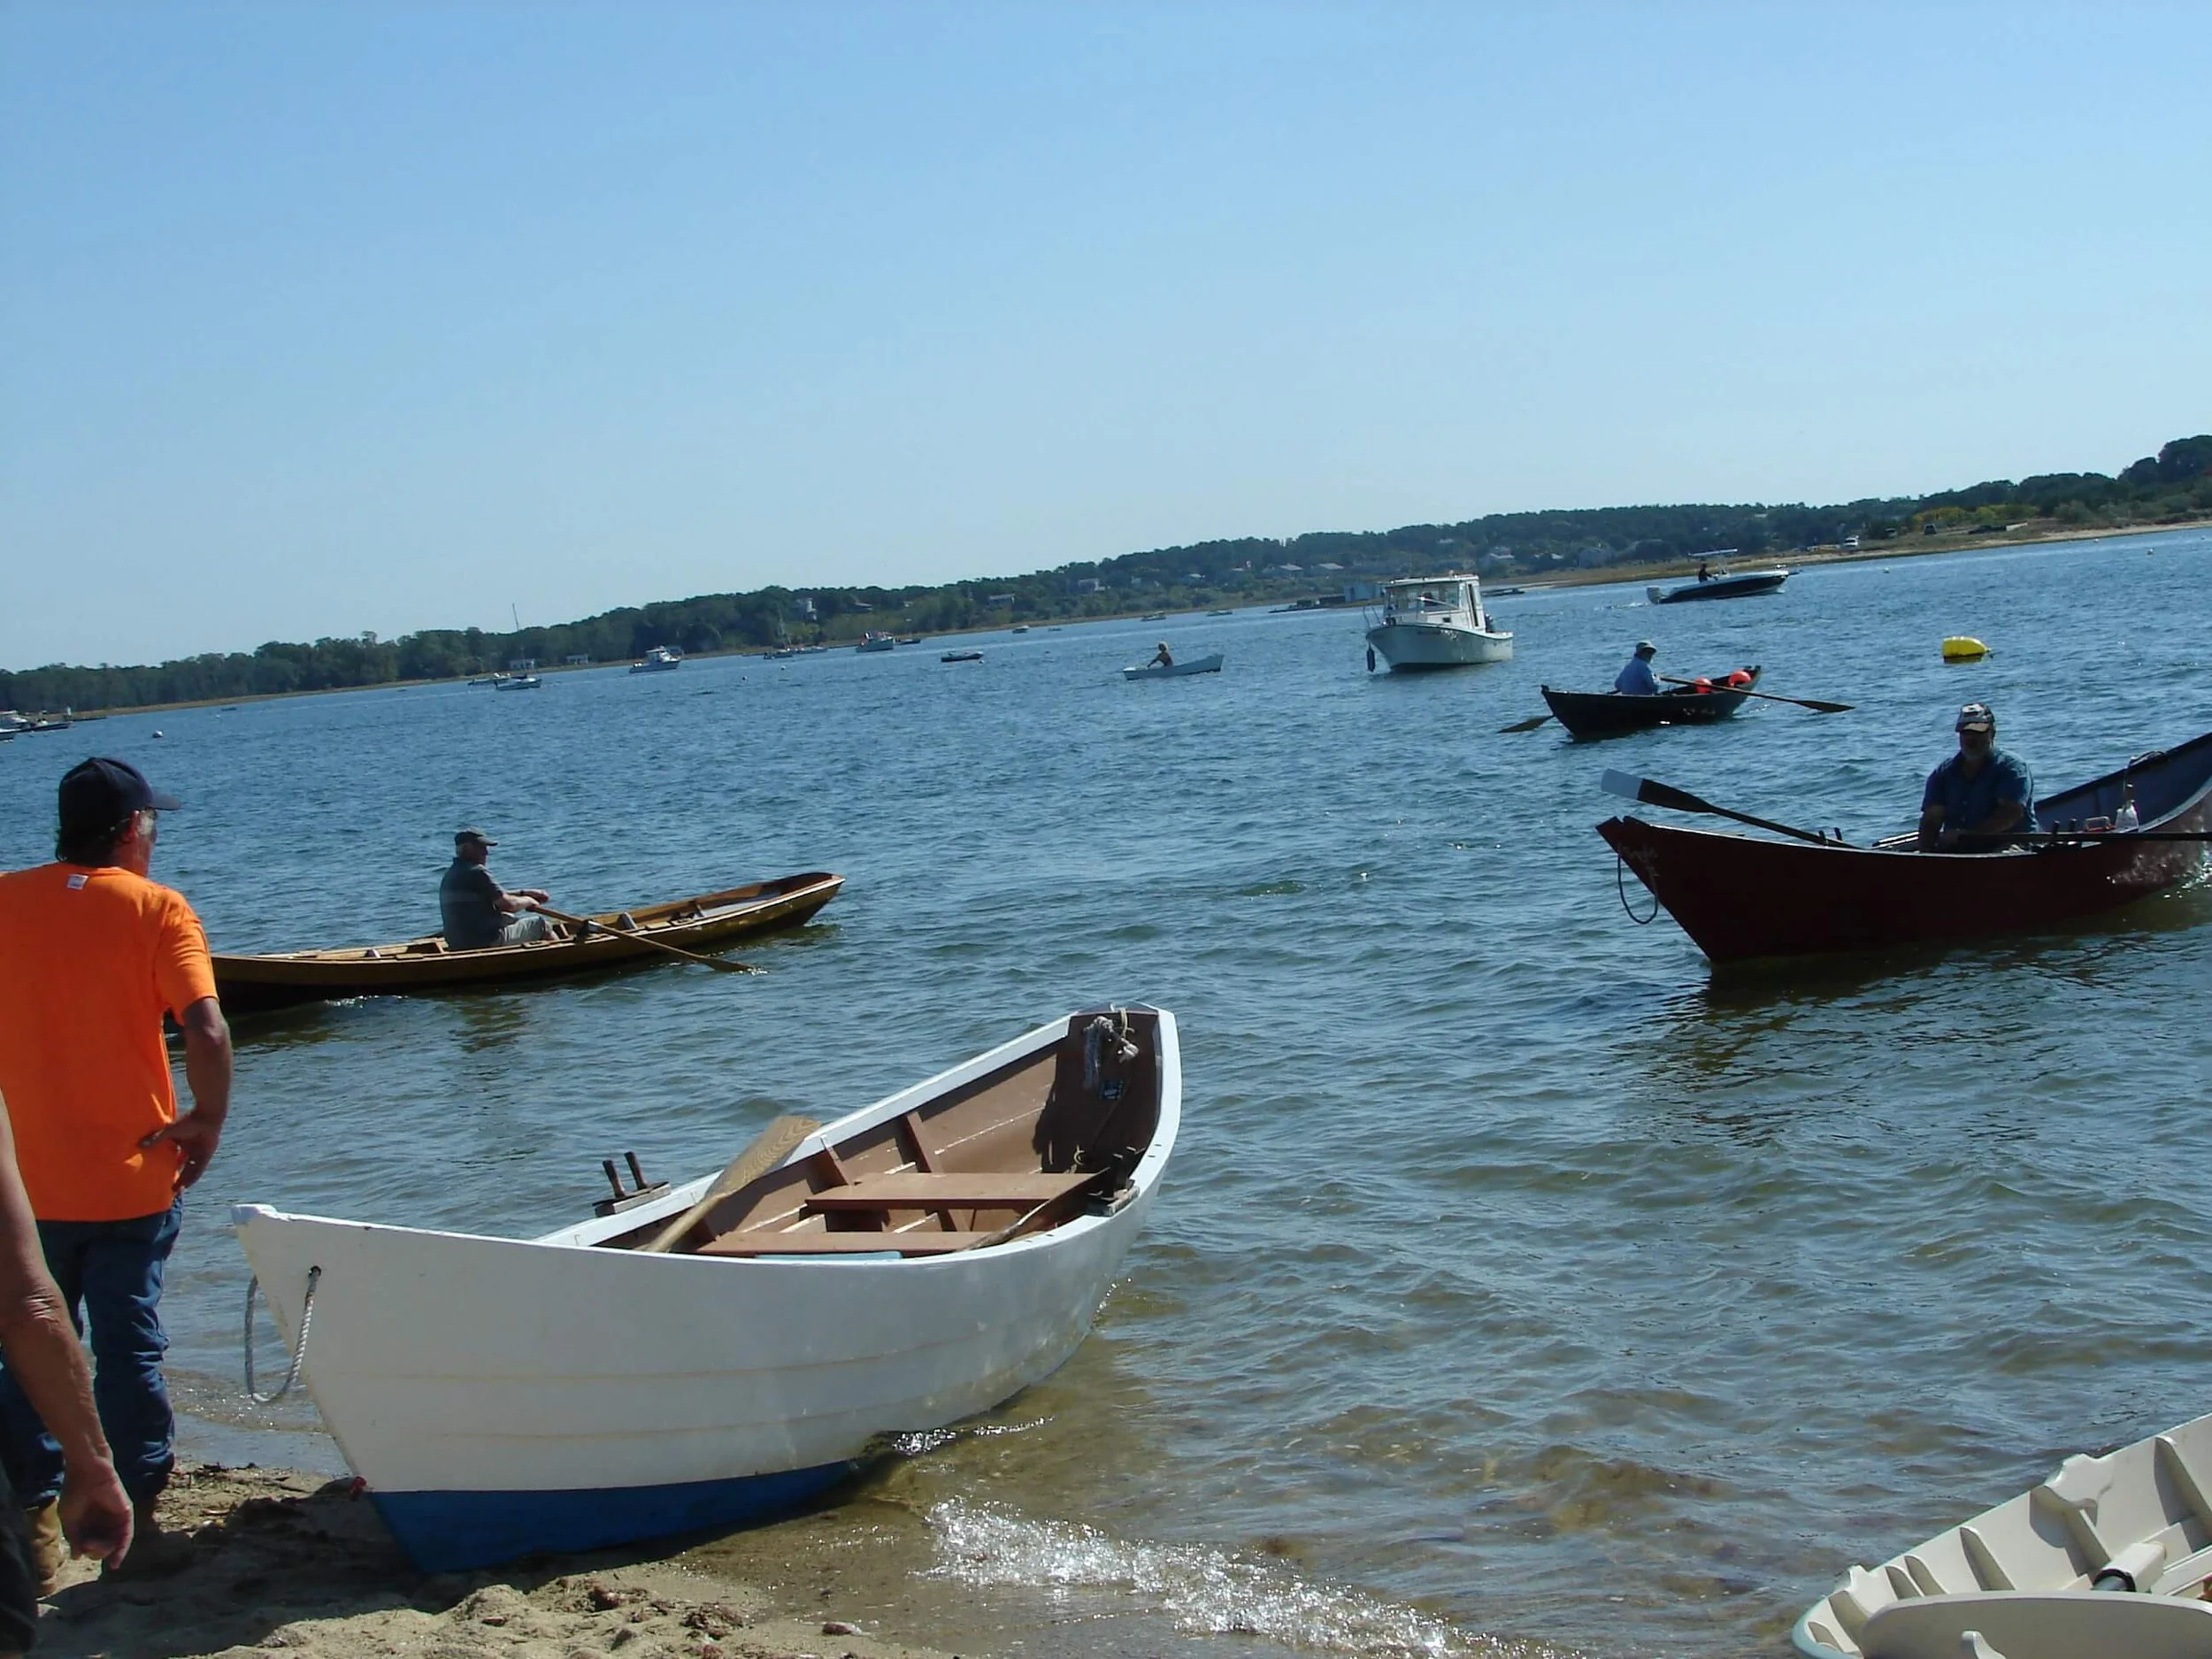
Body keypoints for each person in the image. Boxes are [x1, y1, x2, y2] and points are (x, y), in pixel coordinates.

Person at [0, 757, 228, 1593]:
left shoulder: (3, 900)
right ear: (134, 830)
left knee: (28, 1346)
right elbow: (205, 1028)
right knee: (127, 1342)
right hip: (133, 1173)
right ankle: (140, 1514)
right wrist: (206, 1120)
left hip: (24, 1185)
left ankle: (34, 1517)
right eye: (152, 827)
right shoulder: (158, 907)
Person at [1919, 703, 2037, 851]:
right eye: (1965, 733)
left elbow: (2010, 814)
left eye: (1978, 733)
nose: (1971, 739)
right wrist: (1925, 856)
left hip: (2011, 845)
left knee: (2004, 856)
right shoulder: (1943, 773)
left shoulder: (2012, 767)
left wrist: (1969, 834)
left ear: (1992, 732)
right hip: (1961, 849)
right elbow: (1931, 819)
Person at [439, 829, 553, 948]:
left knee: (509, 918)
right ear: (468, 848)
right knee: (542, 925)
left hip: (457, 943)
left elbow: (491, 895)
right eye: (482, 847)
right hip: (485, 941)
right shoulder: (477, 872)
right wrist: (529, 900)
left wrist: (524, 893)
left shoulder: (451, 874)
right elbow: (508, 905)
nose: (486, 852)